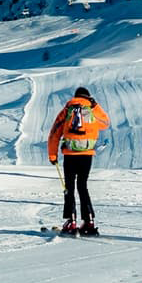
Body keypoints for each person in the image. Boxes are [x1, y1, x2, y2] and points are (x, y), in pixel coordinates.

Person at [47, 86, 110, 235]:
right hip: (86, 154)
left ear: (75, 96)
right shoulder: (91, 111)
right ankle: (89, 221)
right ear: (88, 97)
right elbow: (105, 123)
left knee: (69, 186)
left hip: (70, 154)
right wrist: (96, 106)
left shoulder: (67, 110)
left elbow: (54, 133)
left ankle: (71, 221)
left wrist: (53, 155)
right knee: (82, 186)